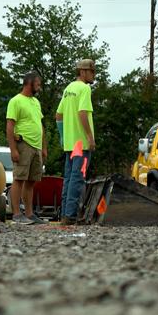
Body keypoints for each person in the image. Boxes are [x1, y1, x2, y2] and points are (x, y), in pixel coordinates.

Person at [55, 59, 96, 225]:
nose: (93, 75)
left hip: (70, 143)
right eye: (92, 71)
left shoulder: (68, 89)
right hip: (81, 144)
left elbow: (58, 115)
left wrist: (63, 136)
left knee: (69, 178)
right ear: (83, 72)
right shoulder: (84, 88)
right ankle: (71, 215)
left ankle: (65, 213)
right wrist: (90, 137)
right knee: (78, 178)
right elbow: (82, 113)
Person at [6, 72, 48, 225]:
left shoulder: (36, 102)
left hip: (36, 147)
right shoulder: (15, 101)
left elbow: (41, 125)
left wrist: (44, 147)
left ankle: (29, 214)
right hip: (23, 145)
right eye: (37, 84)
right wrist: (13, 149)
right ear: (29, 83)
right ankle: (17, 214)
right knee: (19, 179)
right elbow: (10, 125)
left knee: (31, 181)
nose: (39, 87)